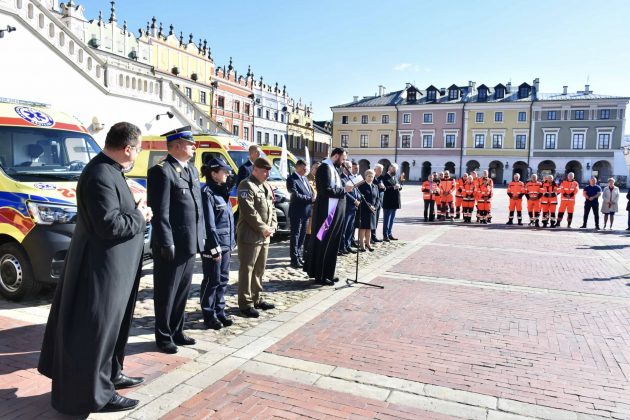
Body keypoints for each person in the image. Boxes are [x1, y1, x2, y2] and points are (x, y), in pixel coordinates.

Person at [38, 122, 152, 415]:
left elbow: (114, 212)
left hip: (116, 270)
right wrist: (140, 216)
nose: (138, 154)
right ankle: (98, 394)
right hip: (101, 271)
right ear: (127, 148)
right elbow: (109, 225)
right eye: (137, 149)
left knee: (114, 330)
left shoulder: (111, 170)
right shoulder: (100, 174)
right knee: (98, 333)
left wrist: (134, 207)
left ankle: (112, 374)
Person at [147, 126, 205, 354]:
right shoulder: (162, 171)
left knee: (182, 290)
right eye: (190, 143)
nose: (194, 146)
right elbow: (160, 212)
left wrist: (202, 237)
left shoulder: (191, 170)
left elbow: (197, 207)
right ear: (178, 145)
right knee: (166, 292)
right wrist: (165, 242)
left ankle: (177, 330)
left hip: (190, 242)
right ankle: (163, 336)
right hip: (172, 244)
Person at [304, 148, 353, 285]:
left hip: (336, 210)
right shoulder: (324, 168)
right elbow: (324, 190)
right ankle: (320, 274)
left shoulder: (335, 168)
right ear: (336, 156)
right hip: (327, 213)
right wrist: (344, 190)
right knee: (324, 241)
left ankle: (328, 272)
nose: (343, 162)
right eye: (342, 159)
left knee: (333, 242)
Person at [236, 157, 278, 318]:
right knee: (247, 269)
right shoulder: (246, 185)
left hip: (264, 235)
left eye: (269, 171)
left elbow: (272, 207)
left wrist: (273, 225)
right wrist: (263, 228)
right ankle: (245, 303)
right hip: (250, 235)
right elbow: (249, 211)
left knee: (259, 269)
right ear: (255, 169)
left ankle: (256, 298)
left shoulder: (266, 185)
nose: (267, 174)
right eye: (264, 171)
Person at [200, 158, 236, 330]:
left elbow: (228, 219)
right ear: (214, 173)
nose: (228, 174)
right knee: (212, 280)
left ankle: (219, 311)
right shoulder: (207, 192)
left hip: (226, 243)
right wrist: (214, 248)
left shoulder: (222, 191)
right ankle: (209, 314)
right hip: (214, 245)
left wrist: (231, 242)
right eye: (224, 171)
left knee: (223, 279)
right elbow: (209, 224)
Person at [286, 159, 314, 268]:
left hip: (306, 212)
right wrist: (310, 199)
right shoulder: (292, 179)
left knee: (302, 236)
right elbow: (295, 195)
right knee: (295, 236)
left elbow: (310, 192)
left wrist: (311, 198)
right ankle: (294, 259)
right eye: (304, 168)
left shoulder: (305, 179)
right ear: (297, 167)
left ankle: (299, 256)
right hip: (297, 212)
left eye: (307, 168)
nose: (306, 170)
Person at [340, 161, 361, 255]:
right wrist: (354, 200)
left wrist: (358, 198)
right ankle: (342, 247)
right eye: (348, 167)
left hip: (353, 207)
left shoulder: (351, 177)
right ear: (343, 168)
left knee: (350, 228)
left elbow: (355, 189)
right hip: (347, 205)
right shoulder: (341, 178)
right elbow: (345, 192)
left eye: (350, 167)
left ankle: (348, 245)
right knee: (344, 228)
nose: (349, 168)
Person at [357, 169, 379, 251]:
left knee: (369, 228)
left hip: (372, 211)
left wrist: (375, 207)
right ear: (365, 176)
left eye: (372, 176)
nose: (370, 178)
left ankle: (368, 244)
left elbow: (378, 199)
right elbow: (362, 198)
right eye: (369, 176)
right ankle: (361, 244)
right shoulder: (361, 186)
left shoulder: (375, 186)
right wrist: (370, 206)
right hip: (364, 209)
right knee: (363, 228)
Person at [302, 161, 320, 266]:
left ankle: (312, 253)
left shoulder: (319, 179)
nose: (317, 170)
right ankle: (306, 254)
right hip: (310, 210)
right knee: (308, 234)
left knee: (315, 233)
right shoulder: (307, 179)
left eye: (318, 168)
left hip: (318, 209)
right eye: (315, 168)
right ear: (312, 168)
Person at [381, 162, 402, 240]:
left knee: (392, 219)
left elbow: (398, 185)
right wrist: (393, 187)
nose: (396, 171)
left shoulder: (395, 177)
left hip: (395, 201)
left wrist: (399, 187)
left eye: (396, 169)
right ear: (390, 168)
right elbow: (384, 188)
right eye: (394, 169)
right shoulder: (384, 177)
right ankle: (385, 235)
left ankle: (390, 233)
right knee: (387, 219)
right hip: (388, 201)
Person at [371, 163, 385, 242]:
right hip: (373, 202)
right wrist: (379, 187)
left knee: (376, 220)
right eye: (379, 170)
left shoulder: (381, 178)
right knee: (372, 220)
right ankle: (370, 236)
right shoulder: (372, 178)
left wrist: (383, 187)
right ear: (375, 170)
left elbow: (384, 188)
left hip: (379, 202)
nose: (381, 172)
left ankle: (374, 235)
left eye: (382, 170)